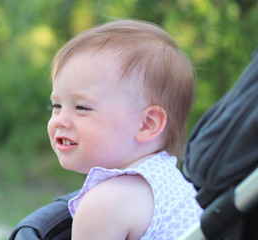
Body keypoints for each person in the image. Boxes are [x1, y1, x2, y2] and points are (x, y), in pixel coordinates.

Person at [47, 19, 202, 240]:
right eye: (56, 106)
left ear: (147, 124)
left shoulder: (104, 205)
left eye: (82, 107)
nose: (60, 120)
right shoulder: (171, 184)